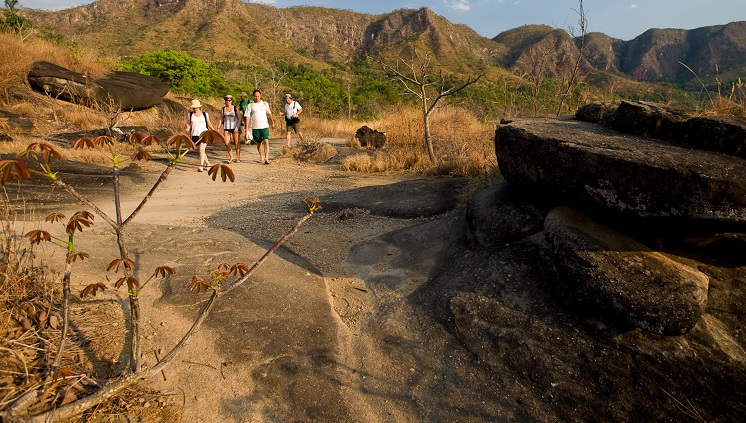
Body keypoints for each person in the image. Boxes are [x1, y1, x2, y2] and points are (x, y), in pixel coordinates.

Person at [244, 89, 275, 165]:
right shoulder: (250, 105)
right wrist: (247, 128)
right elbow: (247, 117)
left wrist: (272, 122)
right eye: (255, 96)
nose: (257, 97)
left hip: (264, 126)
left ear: (260, 96)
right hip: (255, 127)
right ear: (253, 96)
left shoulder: (264, 104)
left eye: (258, 96)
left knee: (266, 141)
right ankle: (261, 157)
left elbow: (269, 113)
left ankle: (266, 158)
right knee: (259, 143)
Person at [186, 99, 216, 172]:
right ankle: (208, 164)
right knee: (201, 151)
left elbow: (209, 123)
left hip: (204, 134)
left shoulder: (205, 114)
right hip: (194, 134)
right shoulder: (190, 114)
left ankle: (201, 166)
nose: (195, 109)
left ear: (199, 107)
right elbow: (188, 123)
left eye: (196, 107)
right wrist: (187, 129)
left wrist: (213, 130)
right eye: (194, 108)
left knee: (202, 149)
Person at [219, 94, 242, 162]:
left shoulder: (235, 108)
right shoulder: (223, 109)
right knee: (226, 142)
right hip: (227, 127)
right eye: (226, 100)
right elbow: (221, 118)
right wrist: (218, 126)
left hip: (234, 127)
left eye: (229, 100)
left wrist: (237, 127)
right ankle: (231, 156)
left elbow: (239, 118)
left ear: (232, 101)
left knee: (236, 143)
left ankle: (238, 157)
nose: (228, 101)